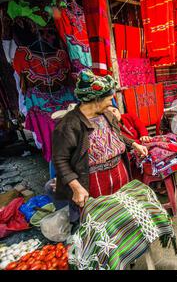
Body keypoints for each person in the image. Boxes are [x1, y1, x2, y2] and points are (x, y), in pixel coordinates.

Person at [52, 69, 148, 210]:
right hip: (94, 181)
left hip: (119, 171)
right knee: (102, 217)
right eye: (109, 100)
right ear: (97, 100)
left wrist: (134, 144)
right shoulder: (68, 125)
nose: (111, 104)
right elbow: (60, 160)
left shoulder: (106, 114)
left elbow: (116, 135)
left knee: (123, 211)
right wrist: (77, 188)